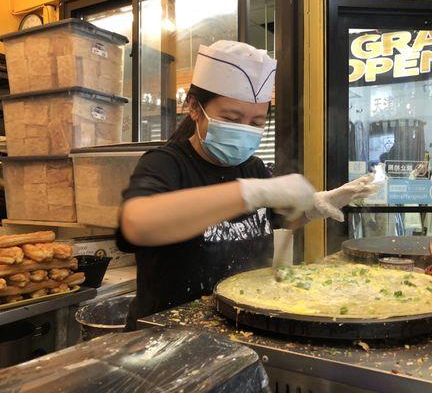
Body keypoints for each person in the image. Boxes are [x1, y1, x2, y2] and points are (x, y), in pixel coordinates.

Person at [117, 41, 378, 330]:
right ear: (193, 107)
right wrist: (249, 192)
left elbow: (282, 217)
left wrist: (319, 204)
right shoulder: (165, 164)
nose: (244, 129)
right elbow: (137, 223)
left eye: (256, 122)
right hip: (168, 333)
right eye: (231, 118)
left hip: (237, 323)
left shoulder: (253, 167)